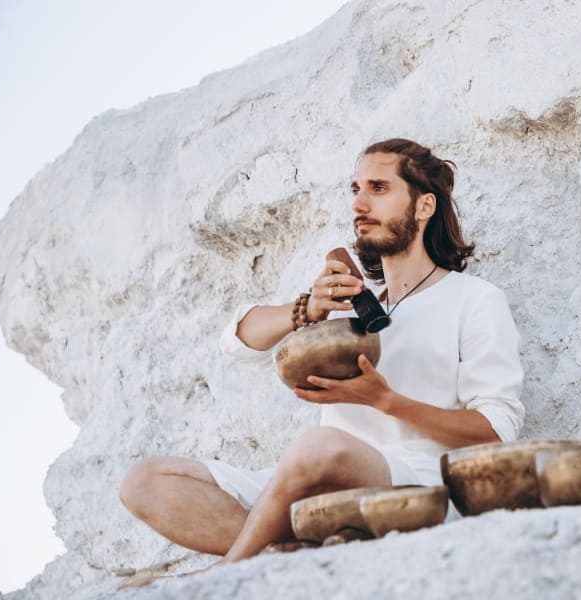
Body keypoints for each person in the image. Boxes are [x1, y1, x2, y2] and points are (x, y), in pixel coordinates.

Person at [119, 138, 525, 571]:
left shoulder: (474, 299)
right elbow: (238, 344)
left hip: (409, 485)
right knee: (145, 482)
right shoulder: (353, 302)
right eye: (355, 190)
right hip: (312, 485)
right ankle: (291, 547)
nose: (359, 204)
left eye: (379, 188)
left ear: (424, 207)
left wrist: (385, 401)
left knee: (322, 445)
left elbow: (497, 431)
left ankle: (229, 570)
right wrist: (305, 310)